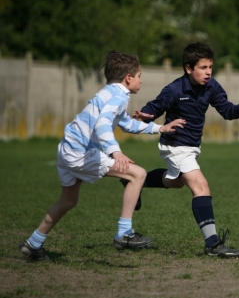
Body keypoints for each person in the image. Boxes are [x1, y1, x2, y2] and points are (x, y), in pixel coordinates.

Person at [19, 50, 186, 261]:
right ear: (128, 78)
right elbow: (102, 124)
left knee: (68, 201)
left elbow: (126, 123)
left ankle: (33, 243)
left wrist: (160, 129)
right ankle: (124, 233)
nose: (141, 80)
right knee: (138, 174)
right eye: (139, 76)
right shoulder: (118, 96)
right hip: (80, 152)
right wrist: (115, 152)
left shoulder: (109, 92)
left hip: (67, 149)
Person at [131, 42, 239, 258]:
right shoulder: (175, 89)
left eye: (210, 67)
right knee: (200, 186)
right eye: (203, 67)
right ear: (188, 68)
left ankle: (135, 180)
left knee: (175, 182)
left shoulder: (212, 87)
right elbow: (154, 107)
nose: (208, 72)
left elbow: (228, 111)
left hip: (191, 147)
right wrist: (145, 114)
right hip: (174, 145)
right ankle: (212, 243)